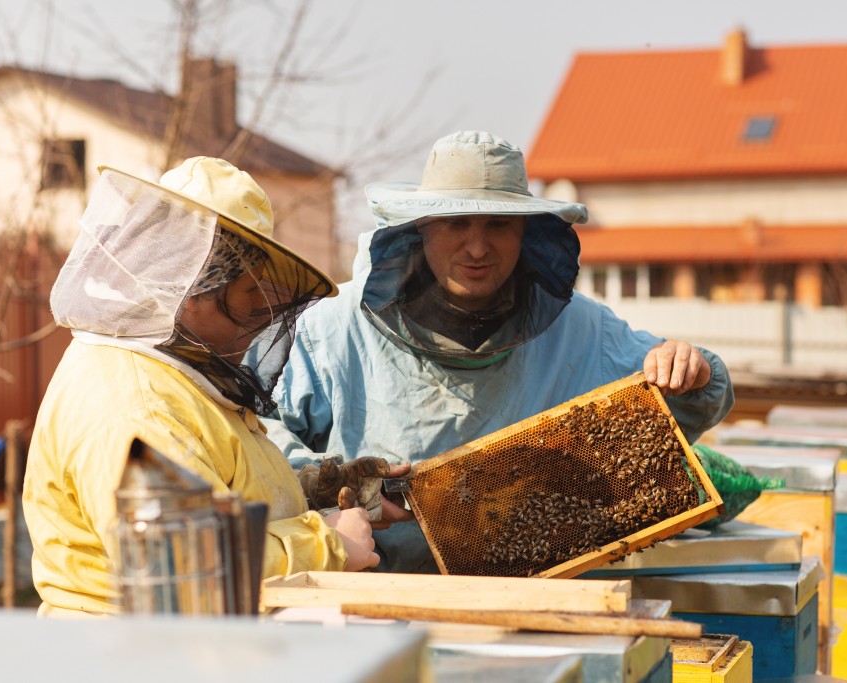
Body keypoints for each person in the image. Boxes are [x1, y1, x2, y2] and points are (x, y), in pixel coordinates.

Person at [263, 131, 736, 573]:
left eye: (499, 224)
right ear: (420, 227)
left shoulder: (581, 329)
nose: (477, 246)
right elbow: (252, 430)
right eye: (456, 223)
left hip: (530, 601)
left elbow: (681, 405)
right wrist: (322, 483)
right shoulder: (333, 328)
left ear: (527, 234)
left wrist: (691, 371)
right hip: (370, 595)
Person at [22, 156, 405, 617]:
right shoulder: (133, 407)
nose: (262, 317)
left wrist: (318, 490)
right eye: (249, 294)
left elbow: (209, 489)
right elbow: (181, 559)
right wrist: (329, 543)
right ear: (196, 284)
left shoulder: (171, 372)